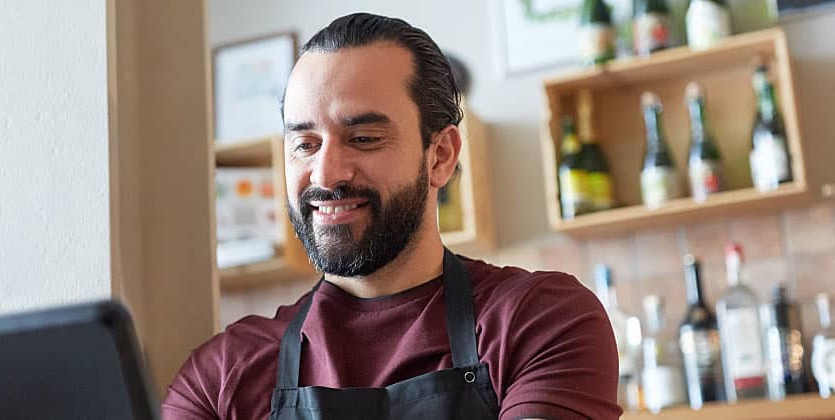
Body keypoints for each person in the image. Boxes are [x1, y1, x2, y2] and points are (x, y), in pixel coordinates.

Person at [164, 12, 620, 420]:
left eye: (363, 138)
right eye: (305, 144)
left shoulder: (539, 322)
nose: (326, 174)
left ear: (440, 155)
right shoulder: (220, 378)